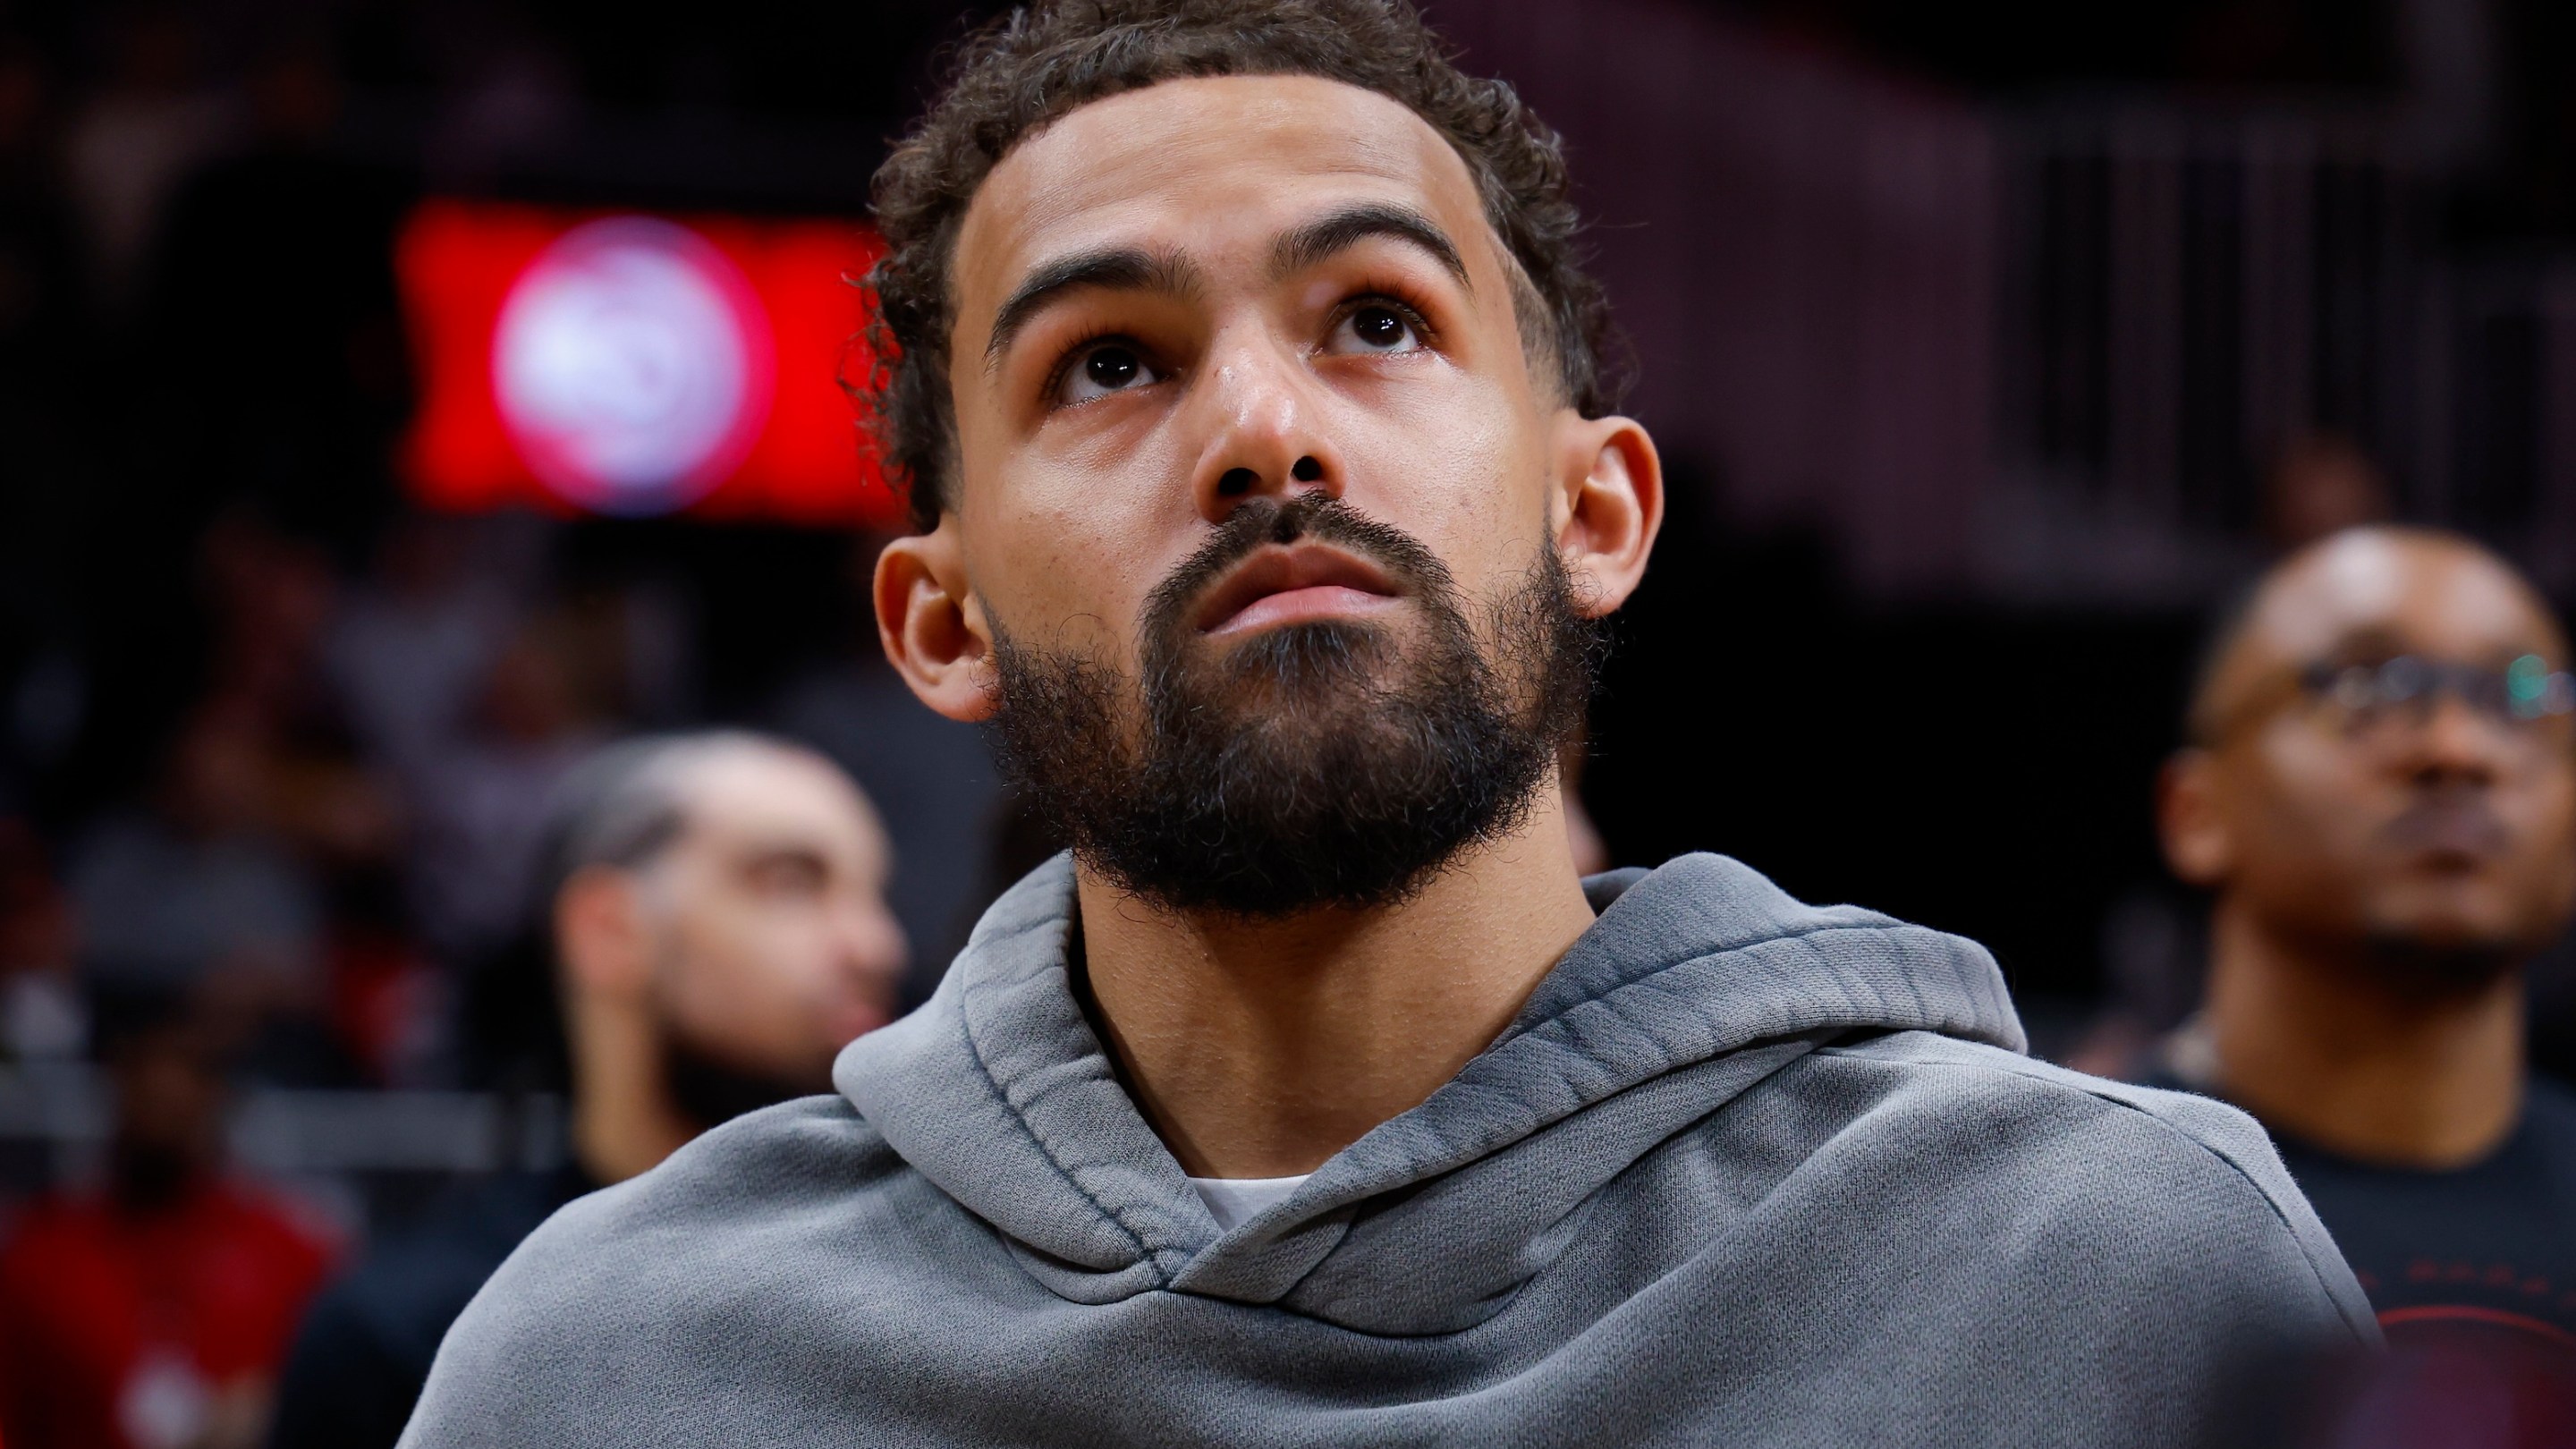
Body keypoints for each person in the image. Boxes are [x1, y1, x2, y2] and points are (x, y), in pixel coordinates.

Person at [403, 4, 2373, 1444]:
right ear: (943, 619)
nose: (1268, 431)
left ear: (1592, 513)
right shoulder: (606, 1370)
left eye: (1377, 319)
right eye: (1109, 361)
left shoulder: (2112, 1284)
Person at [264, 732, 907, 1449]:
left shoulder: (929, 1299)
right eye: (791, 882)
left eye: (874, 893)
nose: (876, 946)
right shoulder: (409, 1337)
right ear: (609, 930)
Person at [2152, 526, 2576, 1419]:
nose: (2458, 749)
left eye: (2522, 699)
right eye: (2368, 686)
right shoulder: (2070, 1204)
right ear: (2196, 812)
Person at [0, 1006, 336, 1449]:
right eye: (144, 1071)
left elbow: (341, 1410)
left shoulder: (294, 1256)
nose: (164, 1092)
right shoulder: (39, 1257)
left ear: (220, 1096)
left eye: (188, 1074)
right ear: (115, 1086)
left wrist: (279, 1407)